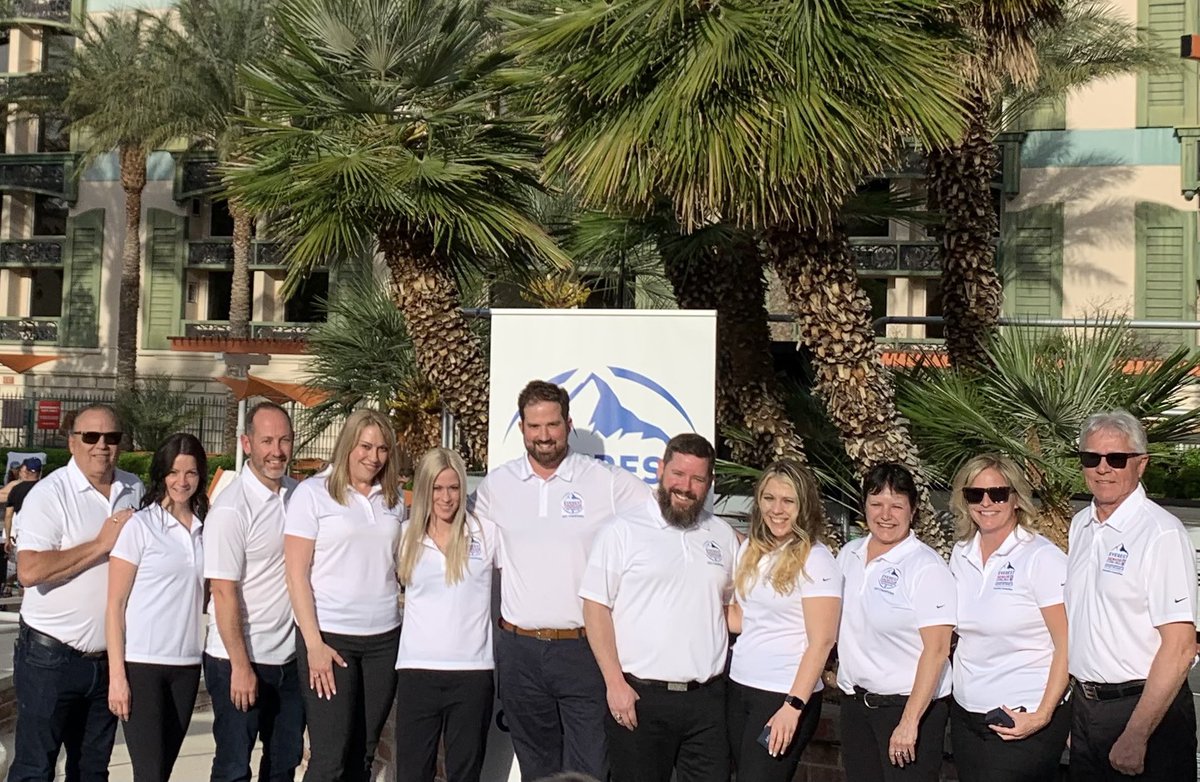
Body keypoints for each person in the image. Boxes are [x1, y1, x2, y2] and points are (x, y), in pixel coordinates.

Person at [470, 380, 650, 780]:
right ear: (521, 428)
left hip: (583, 652)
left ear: (568, 424)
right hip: (519, 652)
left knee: (589, 768)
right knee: (538, 769)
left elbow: (664, 517)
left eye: (552, 425)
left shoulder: (604, 481)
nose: (544, 436)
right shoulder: (497, 486)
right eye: (535, 427)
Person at [579, 433, 739, 782]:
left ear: (709, 483)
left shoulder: (723, 535)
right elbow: (595, 608)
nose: (686, 487)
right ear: (661, 469)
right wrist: (614, 683)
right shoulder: (622, 531)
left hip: (707, 702)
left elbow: (731, 608)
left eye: (697, 479)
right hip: (639, 698)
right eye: (678, 474)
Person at [9, 404, 144, 782]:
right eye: (91, 437)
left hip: (107, 663)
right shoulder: (49, 495)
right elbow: (29, 571)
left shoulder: (134, 488)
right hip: (49, 659)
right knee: (35, 768)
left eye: (112, 438)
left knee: (92, 771)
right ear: (72, 443)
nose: (102, 446)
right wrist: (100, 544)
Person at [1065, 410, 1197, 780]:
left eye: (1116, 459)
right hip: (1088, 710)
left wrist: (1136, 735)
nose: (1103, 468)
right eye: (1092, 458)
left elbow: (1182, 647)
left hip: (1146, 712)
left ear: (1141, 465)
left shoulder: (1161, 534)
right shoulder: (1081, 526)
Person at [284, 408, 405, 782]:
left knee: (364, 754)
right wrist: (314, 644)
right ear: (348, 444)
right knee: (329, 758)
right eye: (365, 446)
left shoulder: (394, 499)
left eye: (383, 449)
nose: (373, 457)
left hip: (384, 641)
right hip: (331, 640)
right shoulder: (313, 494)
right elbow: (296, 574)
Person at [947, 454, 1069, 782]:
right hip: (966, 717)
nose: (986, 503)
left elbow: (1067, 643)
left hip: (1022, 720)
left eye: (998, 494)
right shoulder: (961, 553)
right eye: (975, 494)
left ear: (1016, 498)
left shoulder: (1041, 558)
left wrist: (1043, 715)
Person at [203, 401, 305, 782]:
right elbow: (223, 592)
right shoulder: (231, 509)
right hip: (239, 660)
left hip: (290, 661)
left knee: (283, 765)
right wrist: (241, 667)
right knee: (233, 769)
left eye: (284, 440)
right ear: (247, 443)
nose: (276, 451)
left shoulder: (300, 497)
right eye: (266, 441)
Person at [836, 462, 955, 782]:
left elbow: (938, 649)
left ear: (912, 510)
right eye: (876, 504)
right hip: (856, 708)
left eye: (896, 505)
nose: (885, 514)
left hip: (908, 710)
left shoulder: (926, 568)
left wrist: (909, 722)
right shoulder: (848, 555)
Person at [726, 460, 841, 782]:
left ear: (803, 506)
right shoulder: (751, 549)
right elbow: (742, 618)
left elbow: (822, 641)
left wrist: (793, 706)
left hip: (782, 694)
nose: (777, 509)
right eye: (769, 498)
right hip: (740, 687)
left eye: (788, 501)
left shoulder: (816, 560)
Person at [106, 433, 209, 782]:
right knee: (149, 774)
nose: (182, 481)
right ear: (161, 474)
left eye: (191, 473)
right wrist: (117, 676)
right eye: (174, 472)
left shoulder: (204, 530)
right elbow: (115, 605)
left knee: (161, 773)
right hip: (142, 666)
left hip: (186, 665)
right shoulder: (140, 526)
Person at [394, 447, 497, 782]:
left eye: (454, 488)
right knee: (412, 772)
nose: (447, 497)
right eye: (437, 488)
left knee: (464, 774)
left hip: (472, 674)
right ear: (425, 489)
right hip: (416, 672)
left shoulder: (486, 533)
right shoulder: (405, 535)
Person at [3, 457, 42, 593]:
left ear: (25, 471)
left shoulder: (16, 489)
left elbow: (8, 515)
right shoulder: (46, 488)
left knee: (16, 567)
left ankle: (10, 592)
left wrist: (8, 538)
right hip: (42, 535)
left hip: (21, 535)